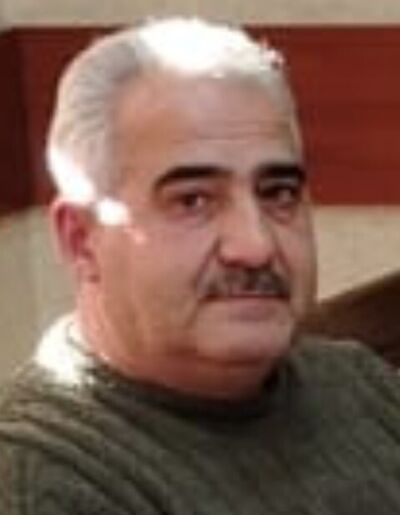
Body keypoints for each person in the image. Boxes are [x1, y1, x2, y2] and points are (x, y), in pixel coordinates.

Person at [0, 17, 399, 515]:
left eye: (278, 194)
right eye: (193, 201)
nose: (255, 246)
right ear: (81, 239)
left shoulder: (360, 385)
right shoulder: (43, 481)